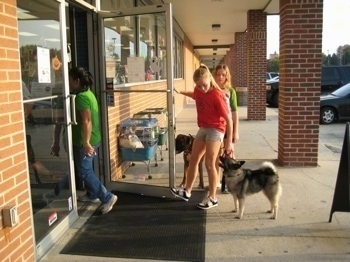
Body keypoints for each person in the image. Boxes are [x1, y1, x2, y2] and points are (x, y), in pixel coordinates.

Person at [46, 67, 117, 215]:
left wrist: (85, 143)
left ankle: (107, 197)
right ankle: (92, 195)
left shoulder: (81, 98)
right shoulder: (88, 94)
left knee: (84, 172)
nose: (68, 83)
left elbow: (87, 121)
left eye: (70, 80)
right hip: (92, 139)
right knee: (87, 169)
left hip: (84, 142)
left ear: (77, 81)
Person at [171, 64, 233, 209]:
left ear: (209, 80)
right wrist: (179, 91)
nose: (202, 89)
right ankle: (187, 191)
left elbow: (229, 119)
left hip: (216, 129)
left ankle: (213, 198)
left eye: (204, 85)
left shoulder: (217, 96)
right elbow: (194, 94)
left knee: (210, 164)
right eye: (198, 86)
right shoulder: (198, 91)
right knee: (193, 159)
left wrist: (228, 142)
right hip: (203, 128)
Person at [213, 64, 239, 193]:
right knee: (217, 155)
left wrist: (236, 131)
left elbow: (234, 112)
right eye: (218, 74)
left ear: (227, 76)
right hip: (216, 127)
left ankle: (231, 182)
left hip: (228, 126)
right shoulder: (212, 89)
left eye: (223, 74)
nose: (220, 77)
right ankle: (217, 181)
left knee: (229, 155)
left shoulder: (231, 91)